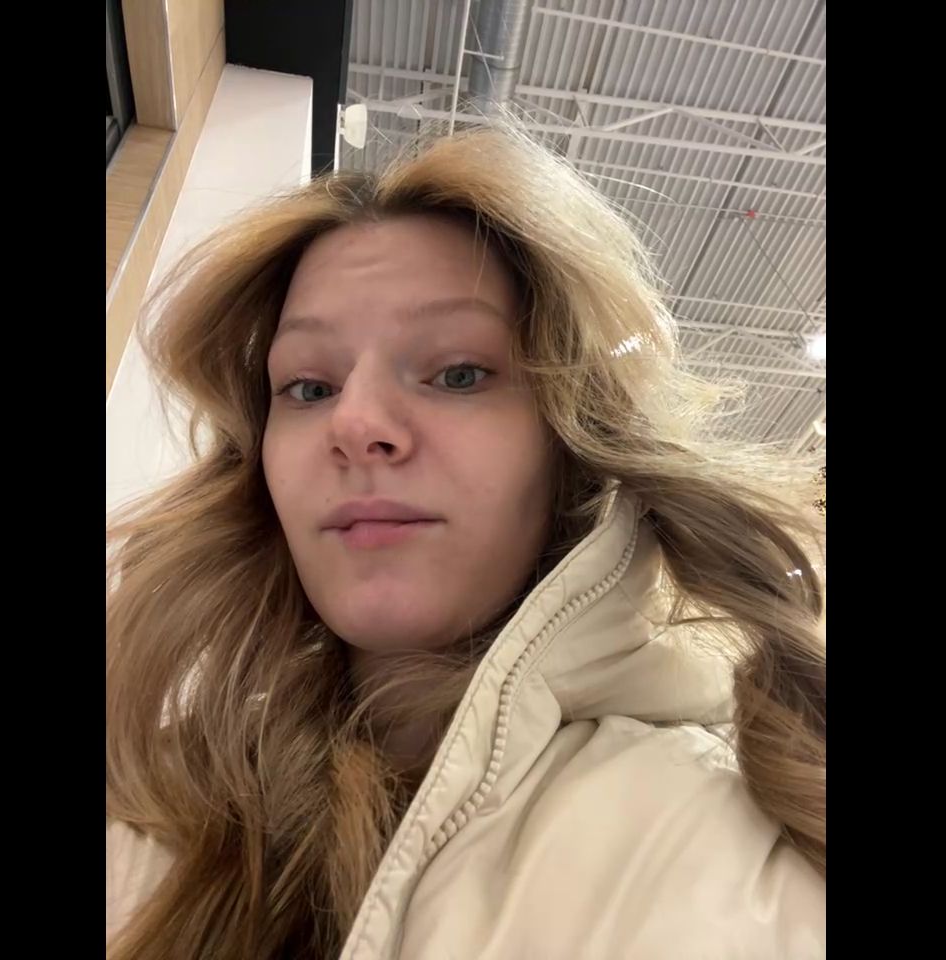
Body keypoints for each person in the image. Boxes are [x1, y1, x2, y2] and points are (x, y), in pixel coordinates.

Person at [106, 122, 826, 959]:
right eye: (307, 386)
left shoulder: (748, 873)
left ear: (572, 442)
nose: (356, 424)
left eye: (458, 373)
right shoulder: (147, 805)